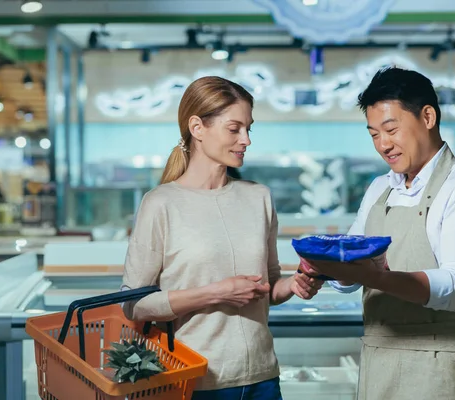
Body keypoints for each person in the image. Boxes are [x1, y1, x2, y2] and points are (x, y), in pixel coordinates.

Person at [299, 67, 455, 400]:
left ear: (427, 117)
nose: (383, 144)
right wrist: (323, 271)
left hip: (440, 366)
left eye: (391, 130)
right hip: (377, 360)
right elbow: (352, 264)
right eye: (373, 134)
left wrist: (377, 277)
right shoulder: (380, 188)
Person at [121, 76, 323, 400]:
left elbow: (269, 285)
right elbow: (133, 304)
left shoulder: (260, 197)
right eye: (234, 129)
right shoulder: (160, 203)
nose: (246, 139)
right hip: (194, 382)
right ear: (197, 128)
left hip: (263, 378)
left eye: (248, 129)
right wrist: (215, 293)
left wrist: (295, 284)